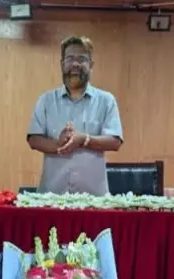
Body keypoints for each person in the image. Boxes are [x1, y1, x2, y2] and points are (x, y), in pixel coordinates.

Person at [27, 35, 123, 196]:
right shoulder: (46, 100)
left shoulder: (106, 100)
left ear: (91, 65)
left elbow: (115, 141)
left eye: (82, 59)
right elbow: (33, 139)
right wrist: (58, 145)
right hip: (52, 196)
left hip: (94, 198)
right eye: (70, 58)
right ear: (62, 64)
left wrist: (84, 139)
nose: (75, 64)